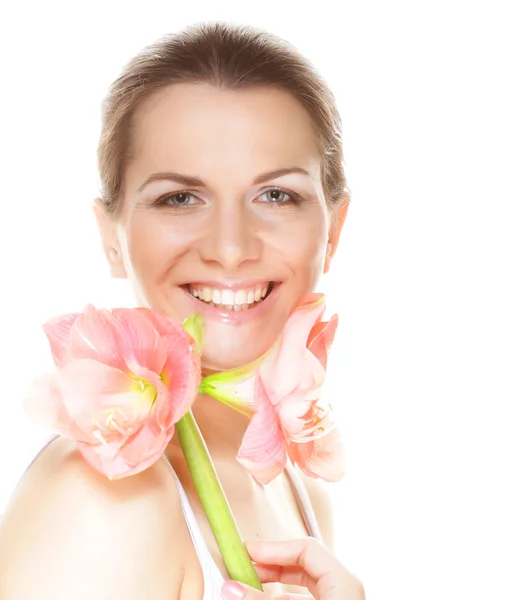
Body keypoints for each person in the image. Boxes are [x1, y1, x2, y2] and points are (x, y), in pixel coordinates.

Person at [0, 21, 364, 599]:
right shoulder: (103, 501)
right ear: (111, 238)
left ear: (334, 230)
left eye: (276, 195)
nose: (229, 247)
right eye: (179, 198)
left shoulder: (301, 495)